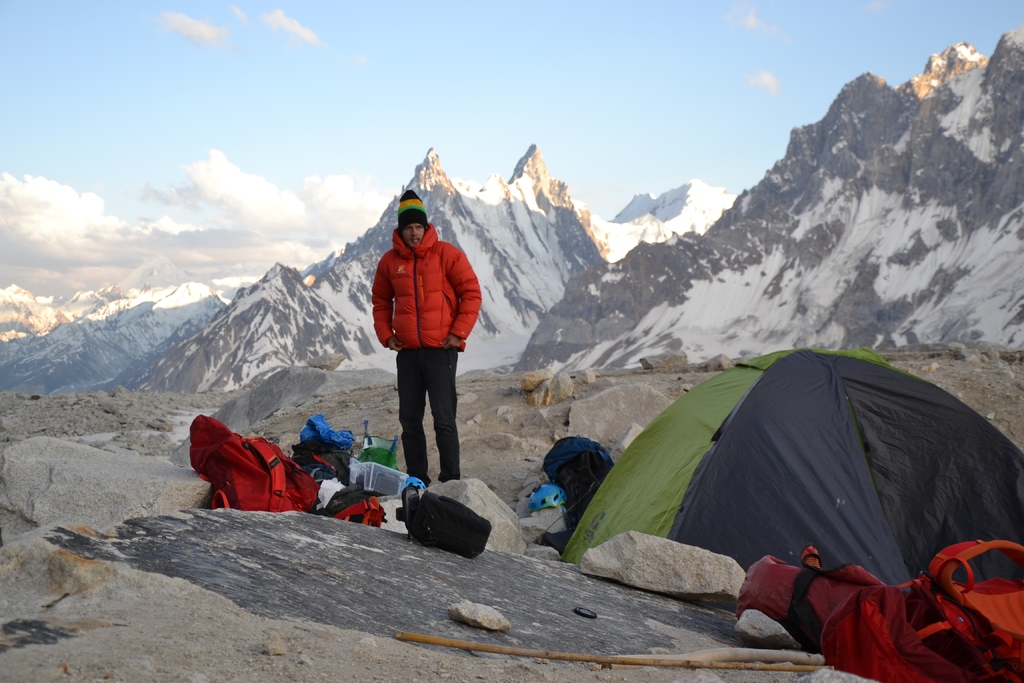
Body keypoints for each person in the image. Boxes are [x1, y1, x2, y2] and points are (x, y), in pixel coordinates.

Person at [371, 189, 481, 485]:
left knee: (444, 419)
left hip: (440, 349)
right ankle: (418, 479)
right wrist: (386, 334)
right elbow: (380, 300)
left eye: (419, 227)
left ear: (426, 226)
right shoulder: (389, 262)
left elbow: (471, 292)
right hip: (407, 352)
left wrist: (458, 334)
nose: (414, 233)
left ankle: (451, 480)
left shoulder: (447, 254)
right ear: (400, 229)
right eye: (408, 227)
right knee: (410, 420)